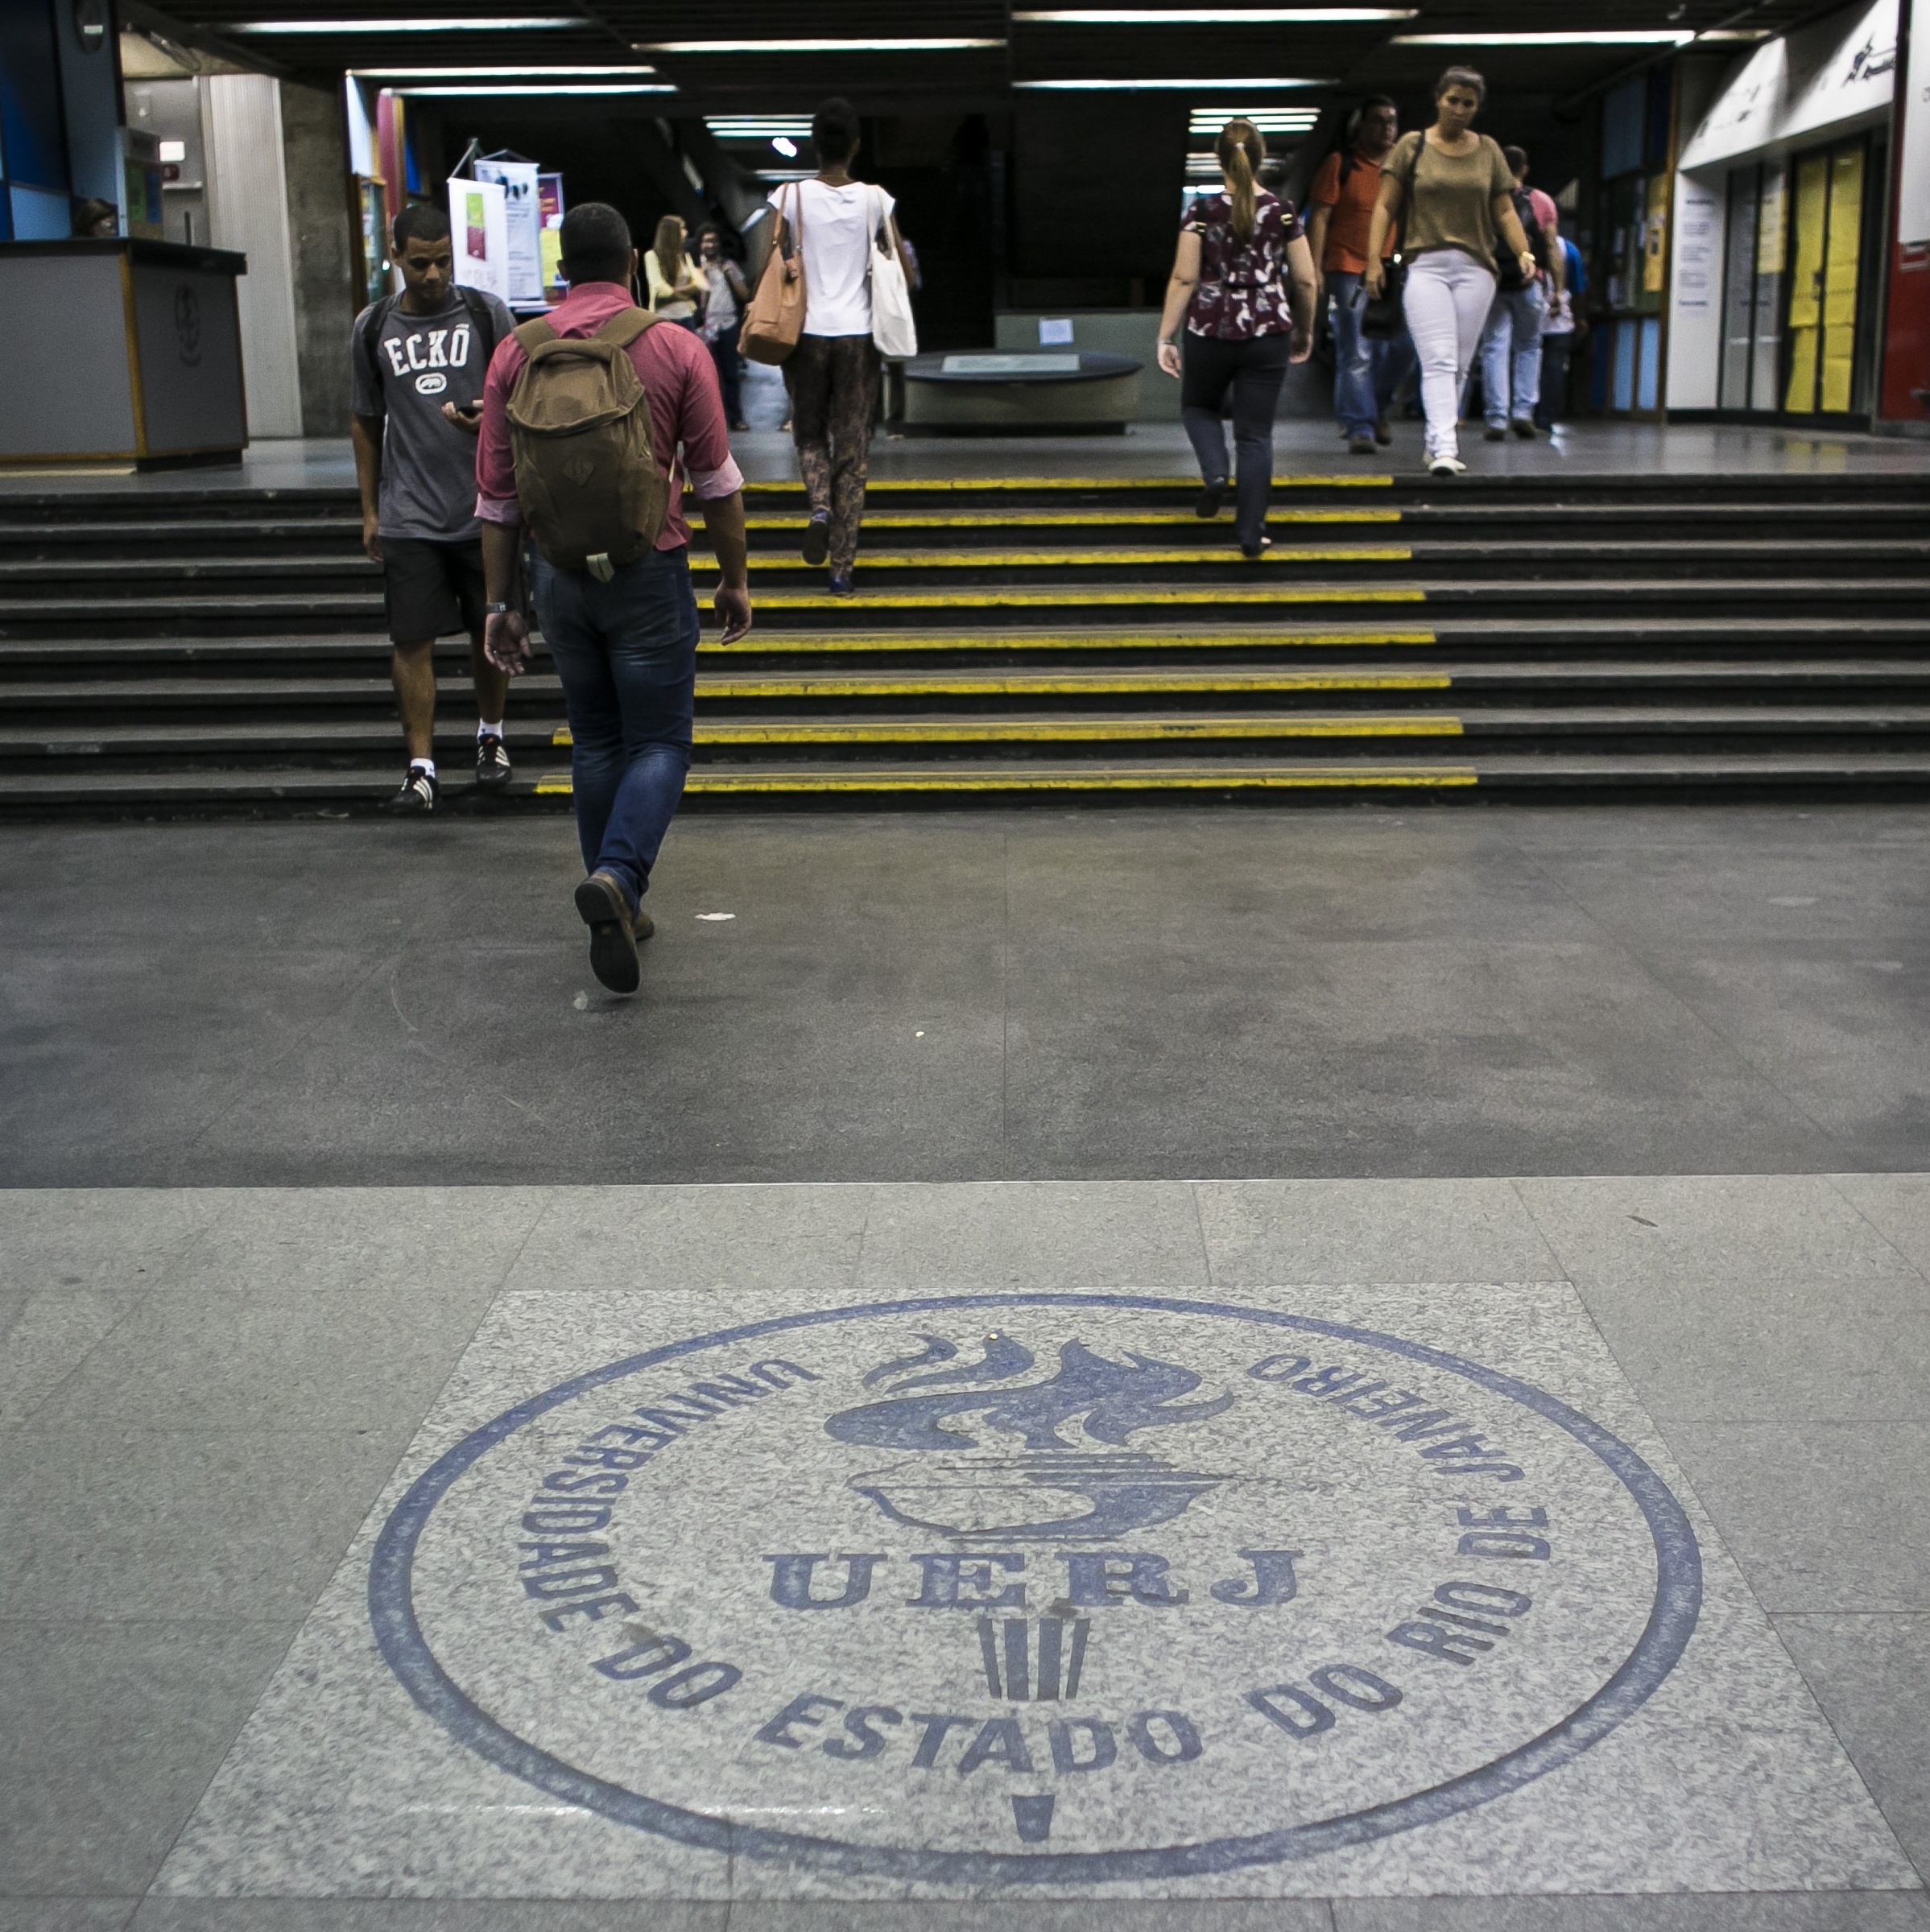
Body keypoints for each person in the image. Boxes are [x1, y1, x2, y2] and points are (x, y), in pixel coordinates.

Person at [476, 203, 751, 996]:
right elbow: (717, 486)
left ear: (563, 269)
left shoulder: (513, 358)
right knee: (660, 742)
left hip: (559, 577)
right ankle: (622, 879)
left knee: (596, 740)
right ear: (633, 262)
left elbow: (496, 502)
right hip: (649, 571)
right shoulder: (674, 348)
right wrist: (733, 580)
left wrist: (502, 604)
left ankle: (617, 898)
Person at [349, 202, 516, 811]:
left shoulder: (485, 314)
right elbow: (365, 422)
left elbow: (522, 403)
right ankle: (421, 767)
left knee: (487, 631)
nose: (433, 274)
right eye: (419, 263)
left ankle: (490, 737)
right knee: (411, 640)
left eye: (443, 260)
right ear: (394, 257)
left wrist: (488, 424)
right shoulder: (373, 327)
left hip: (483, 510)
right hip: (409, 511)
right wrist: (370, 511)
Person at [753, 96, 906, 594]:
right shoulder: (875, 200)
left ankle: (819, 504)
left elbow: (765, 269)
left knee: (809, 434)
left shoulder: (788, 197)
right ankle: (842, 568)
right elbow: (898, 265)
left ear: (814, 145)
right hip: (858, 336)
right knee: (854, 451)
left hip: (805, 335)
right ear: (856, 145)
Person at [1364, 67, 1539, 478]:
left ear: (1477, 108)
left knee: (1460, 363)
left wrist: (1524, 252)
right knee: (1439, 358)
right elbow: (1385, 205)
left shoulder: (1488, 151)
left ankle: (1435, 439)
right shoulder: (1412, 146)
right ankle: (1445, 445)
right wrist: (1374, 260)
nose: (1460, 110)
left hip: (1477, 268)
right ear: (1438, 99)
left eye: (1469, 104)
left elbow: (1504, 209)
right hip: (1424, 264)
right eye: (1453, 101)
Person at [1156, 117, 1317, 559]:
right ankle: (1250, 533)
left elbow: (1184, 277)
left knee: (1197, 406)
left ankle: (1213, 475)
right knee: (1255, 435)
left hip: (1211, 327)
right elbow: (1305, 281)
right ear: (1261, 158)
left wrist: (1164, 336)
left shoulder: (1202, 213)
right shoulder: (1283, 211)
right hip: (1269, 331)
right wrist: (1304, 329)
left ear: (1218, 159)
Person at [1305, 94, 1415, 455]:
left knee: (1402, 347)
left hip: (1392, 269)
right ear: (1361, 126)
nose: (1386, 128)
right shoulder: (1341, 164)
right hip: (1348, 267)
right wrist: (1315, 268)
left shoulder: (1402, 169)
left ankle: (1378, 407)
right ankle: (1359, 426)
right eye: (1379, 121)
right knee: (1358, 351)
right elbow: (1319, 216)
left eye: (1392, 122)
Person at [1475, 146, 1564, 440]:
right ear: (1524, 168)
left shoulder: (1484, 197)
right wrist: (1557, 290)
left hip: (1494, 282)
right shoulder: (1541, 202)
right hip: (1529, 282)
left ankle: (1497, 418)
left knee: (1494, 347)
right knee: (1529, 347)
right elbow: (1550, 247)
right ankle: (1523, 412)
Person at [696, 223, 750, 431]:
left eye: (713, 241)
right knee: (706, 375)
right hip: (705, 325)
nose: (710, 245)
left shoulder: (729, 265)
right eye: (706, 241)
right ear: (700, 244)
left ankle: (736, 418)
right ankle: (710, 421)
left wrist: (729, 274)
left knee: (731, 373)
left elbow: (745, 295)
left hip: (728, 323)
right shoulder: (694, 267)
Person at [1535, 231, 1586, 431]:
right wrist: (1581, 318)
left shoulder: (1524, 243)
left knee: (1526, 365)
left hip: (1529, 319)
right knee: (1554, 370)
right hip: (1559, 321)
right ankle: (1545, 418)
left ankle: (1521, 413)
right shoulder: (1569, 250)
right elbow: (1579, 287)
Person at [643, 216, 704, 328]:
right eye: (681, 229)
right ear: (671, 232)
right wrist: (686, 293)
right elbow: (660, 288)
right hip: (665, 316)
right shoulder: (652, 256)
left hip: (687, 314)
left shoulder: (685, 256)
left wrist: (677, 293)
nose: (685, 233)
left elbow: (699, 284)